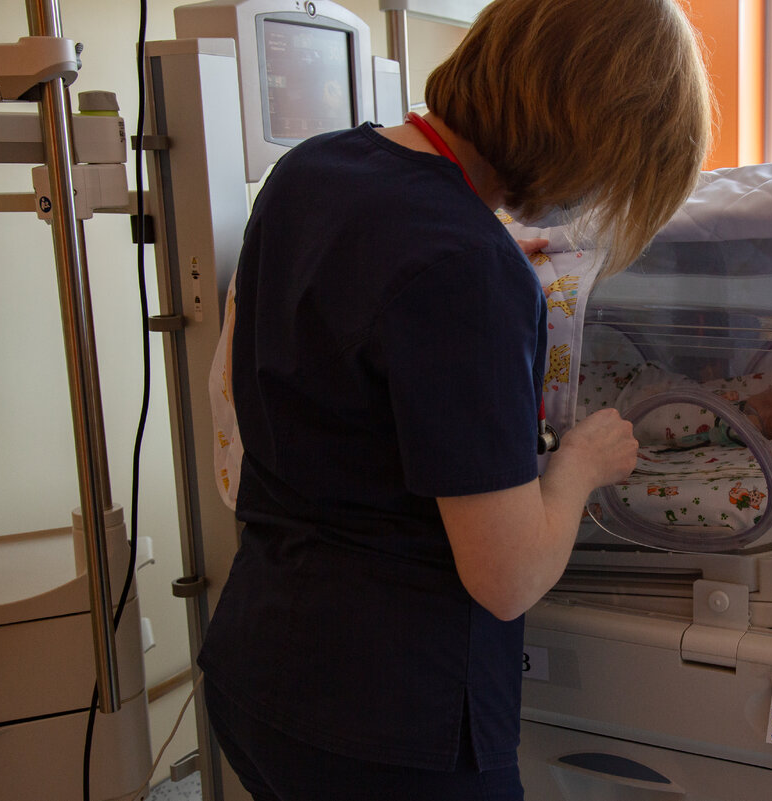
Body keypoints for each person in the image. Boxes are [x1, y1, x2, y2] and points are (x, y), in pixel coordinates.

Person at [196, 0, 712, 799]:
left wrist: (487, 247)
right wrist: (579, 464)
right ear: (585, 135)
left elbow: (370, 300)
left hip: (257, 673)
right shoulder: (468, 267)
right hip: (390, 728)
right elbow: (508, 576)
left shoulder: (313, 168)